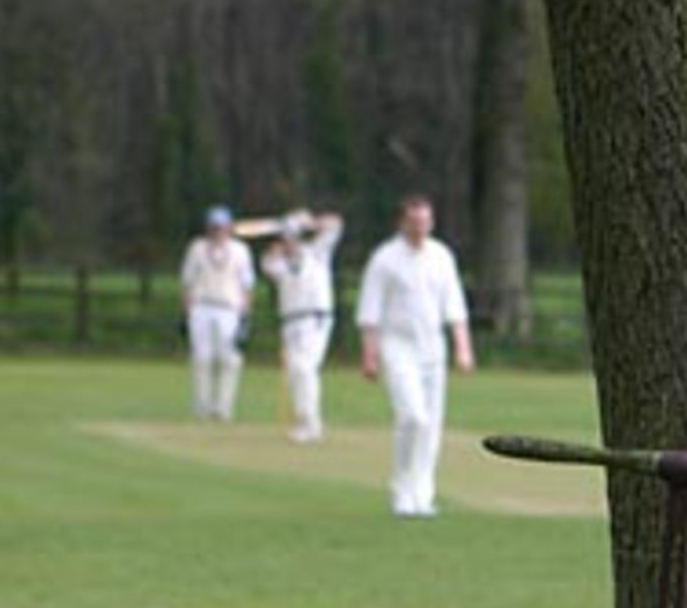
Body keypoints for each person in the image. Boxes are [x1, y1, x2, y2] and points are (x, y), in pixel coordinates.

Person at [355, 194, 475, 517]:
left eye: (426, 221)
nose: (421, 227)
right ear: (402, 222)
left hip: (433, 347)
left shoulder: (440, 256)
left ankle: (423, 494)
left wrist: (463, 347)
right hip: (397, 345)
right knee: (412, 417)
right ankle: (402, 491)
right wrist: (369, 354)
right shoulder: (385, 259)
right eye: (415, 221)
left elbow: (454, 305)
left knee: (432, 424)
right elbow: (370, 311)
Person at [260, 209, 344, 443]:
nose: (289, 245)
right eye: (286, 240)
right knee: (297, 372)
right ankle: (305, 421)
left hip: (315, 319)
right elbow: (267, 264)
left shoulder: (317, 253)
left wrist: (308, 222)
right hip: (290, 322)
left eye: (292, 239)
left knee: (304, 367)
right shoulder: (280, 265)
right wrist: (279, 242)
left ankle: (311, 423)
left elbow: (336, 224)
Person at [179, 205, 255, 422]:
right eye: (214, 227)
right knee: (202, 359)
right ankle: (202, 407)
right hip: (201, 306)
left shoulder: (240, 251)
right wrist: (185, 314)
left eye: (221, 227)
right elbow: (187, 282)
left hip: (230, 309)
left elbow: (247, 285)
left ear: (228, 228)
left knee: (229, 360)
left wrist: (245, 318)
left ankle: (223, 408)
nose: (217, 231)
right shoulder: (197, 248)